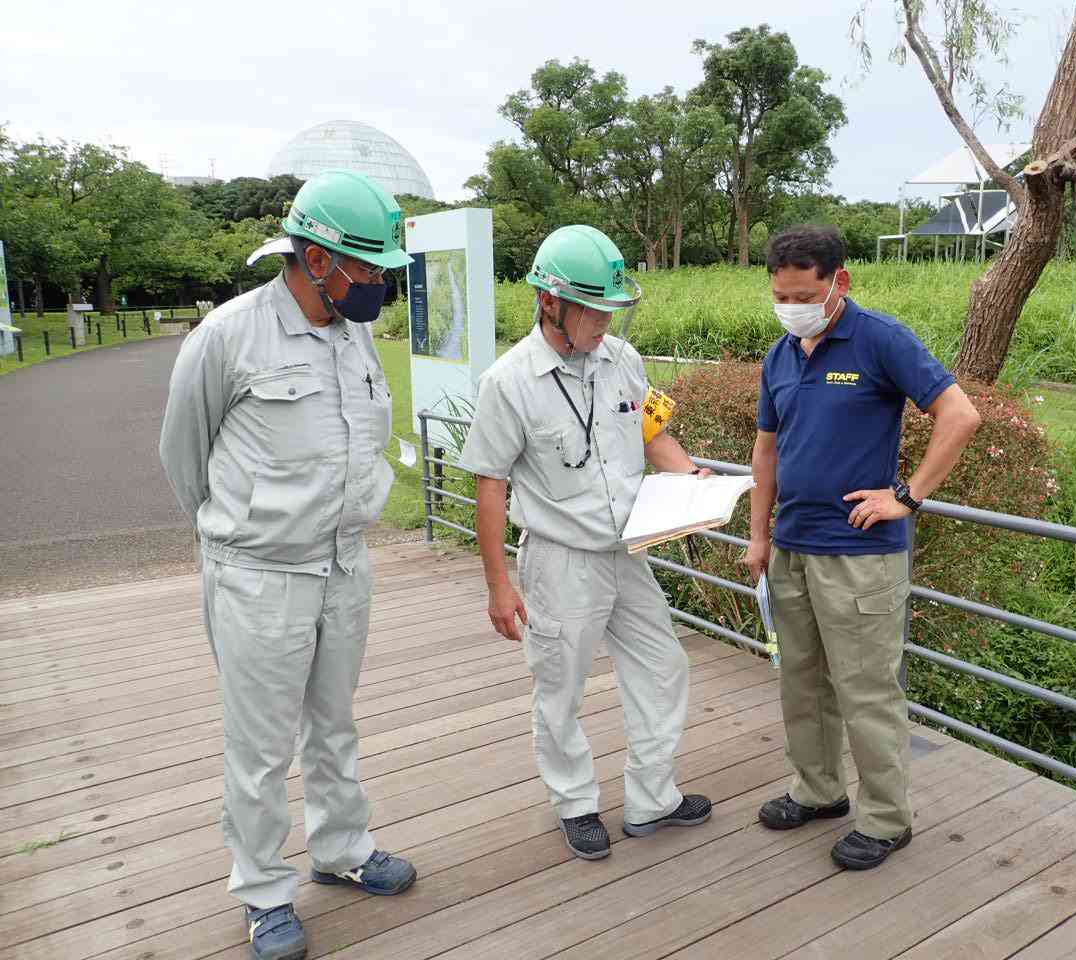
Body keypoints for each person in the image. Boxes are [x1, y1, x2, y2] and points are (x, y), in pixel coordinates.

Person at [160, 169, 417, 960]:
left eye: (382, 271)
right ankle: (264, 890)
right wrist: (240, 534)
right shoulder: (229, 336)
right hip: (260, 574)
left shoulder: (354, 328)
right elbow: (184, 457)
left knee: (334, 723)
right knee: (261, 745)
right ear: (312, 257)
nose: (378, 284)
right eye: (367, 269)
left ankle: (341, 849)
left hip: (344, 564)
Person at [458, 224, 713, 861]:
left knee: (663, 666)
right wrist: (497, 585)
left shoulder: (622, 362)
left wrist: (691, 478)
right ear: (550, 301)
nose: (606, 321)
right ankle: (574, 802)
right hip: (559, 561)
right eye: (594, 309)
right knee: (560, 687)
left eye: (612, 308)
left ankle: (654, 797)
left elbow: (653, 434)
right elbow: (490, 488)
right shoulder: (507, 382)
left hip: (628, 551)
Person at [745, 225, 980, 871]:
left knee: (866, 690)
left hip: (859, 556)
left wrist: (907, 496)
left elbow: (961, 415)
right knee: (801, 682)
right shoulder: (781, 355)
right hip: (791, 547)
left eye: (802, 293)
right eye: (779, 294)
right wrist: (759, 535)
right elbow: (767, 450)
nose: (790, 305)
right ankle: (818, 791)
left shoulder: (880, 339)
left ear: (838, 282)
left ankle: (886, 818)